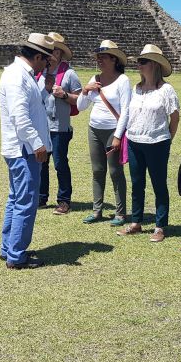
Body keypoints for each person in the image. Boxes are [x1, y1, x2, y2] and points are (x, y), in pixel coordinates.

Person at [0, 33, 55, 270]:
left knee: (17, 199)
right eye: (46, 60)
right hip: (25, 149)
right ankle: (16, 255)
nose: (47, 65)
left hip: (22, 148)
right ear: (38, 56)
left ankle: (10, 248)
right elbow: (19, 117)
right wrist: (37, 143)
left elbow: (30, 109)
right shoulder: (17, 76)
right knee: (26, 202)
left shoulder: (22, 75)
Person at [113, 45, 180, 242]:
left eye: (143, 62)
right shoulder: (136, 88)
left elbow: (174, 118)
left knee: (159, 185)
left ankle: (160, 226)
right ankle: (136, 222)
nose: (138, 65)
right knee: (137, 183)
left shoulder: (166, 90)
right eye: (138, 62)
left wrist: (167, 139)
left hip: (157, 142)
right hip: (134, 141)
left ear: (154, 65)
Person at [76, 40, 131, 226]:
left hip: (112, 130)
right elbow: (81, 107)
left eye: (103, 57)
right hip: (94, 129)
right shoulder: (95, 78)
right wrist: (85, 91)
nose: (99, 60)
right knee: (97, 170)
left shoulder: (122, 80)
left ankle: (121, 213)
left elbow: (125, 111)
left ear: (115, 60)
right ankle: (97, 210)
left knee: (115, 171)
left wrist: (117, 135)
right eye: (98, 57)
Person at [36, 32, 81, 214]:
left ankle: (64, 200)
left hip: (60, 128)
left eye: (55, 51)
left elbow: (80, 100)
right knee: (41, 163)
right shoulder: (39, 73)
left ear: (60, 54)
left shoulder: (69, 74)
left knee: (60, 163)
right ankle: (41, 197)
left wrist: (64, 95)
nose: (51, 55)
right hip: (42, 126)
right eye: (48, 51)